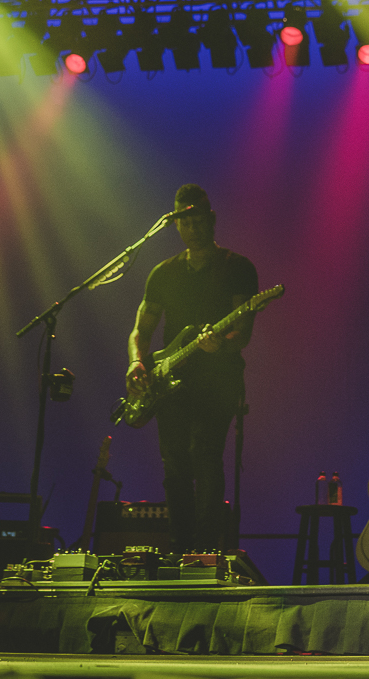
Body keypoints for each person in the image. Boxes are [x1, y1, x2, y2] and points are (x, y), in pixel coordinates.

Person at [126, 184, 258, 556]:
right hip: (170, 382)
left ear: (211, 221)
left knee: (207, 459)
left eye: (200, 222)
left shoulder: (237, 268)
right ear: (177, 226)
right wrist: (137, 361)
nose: (194, 230)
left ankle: (204, 554)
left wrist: (223, 344)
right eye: (186, 224)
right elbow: (141, 329)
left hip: (218, 380)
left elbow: (242, 330)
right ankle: (177, 551)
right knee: (175, 469)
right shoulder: (163, 273)